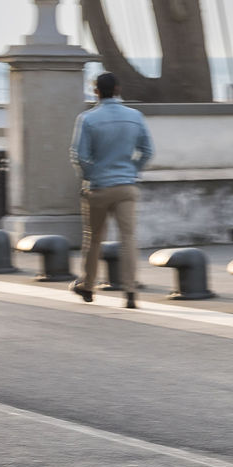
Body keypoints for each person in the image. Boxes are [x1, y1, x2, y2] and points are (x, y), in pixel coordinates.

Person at [70, 72, 154, 308]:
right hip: (126, 187)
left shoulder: (87, 119)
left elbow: (79, 156)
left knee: (94, 238)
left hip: (98, 188)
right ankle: (130, 291)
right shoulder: (135, 116)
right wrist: (132, 170)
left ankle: (88, 286)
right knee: (128, 238)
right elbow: (147, 151)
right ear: (118, 89)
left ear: (96, 91)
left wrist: (91, 176)